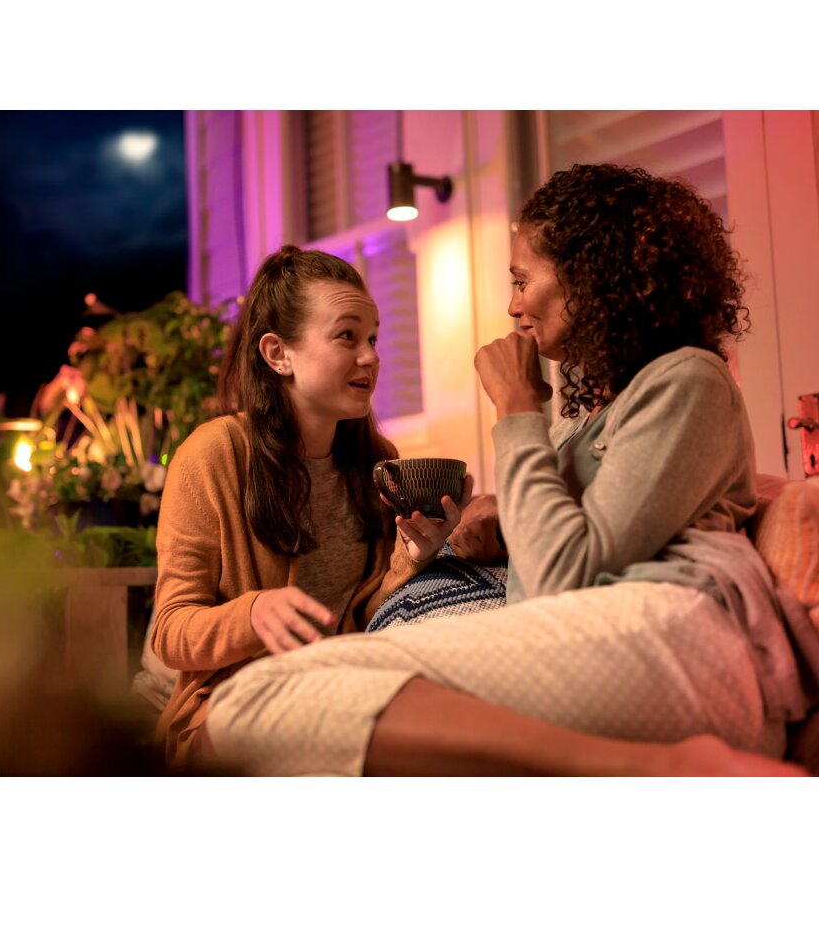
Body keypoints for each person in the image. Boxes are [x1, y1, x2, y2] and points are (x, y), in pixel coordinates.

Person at [203, 163, 819, 776]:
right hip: (593, 631)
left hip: (677, 634)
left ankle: (660, 766)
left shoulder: (688, 379)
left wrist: (517, 407)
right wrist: (500, 523)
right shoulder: (592, 412)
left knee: (254, 704)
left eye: (522, 280)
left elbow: (557, 577)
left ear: (589, 276)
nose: (512, 304)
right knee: (265, 706)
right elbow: (566, 545)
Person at [147, 245, 470, 770]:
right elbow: (170, 632)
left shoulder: (378, 463)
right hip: (230, 707)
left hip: (342, 688)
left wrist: (414, 557)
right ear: (278, 354)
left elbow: (361, 615)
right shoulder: (214, 455)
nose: (370, 356)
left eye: (372, 338)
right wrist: (254, 614)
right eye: (347, 336)